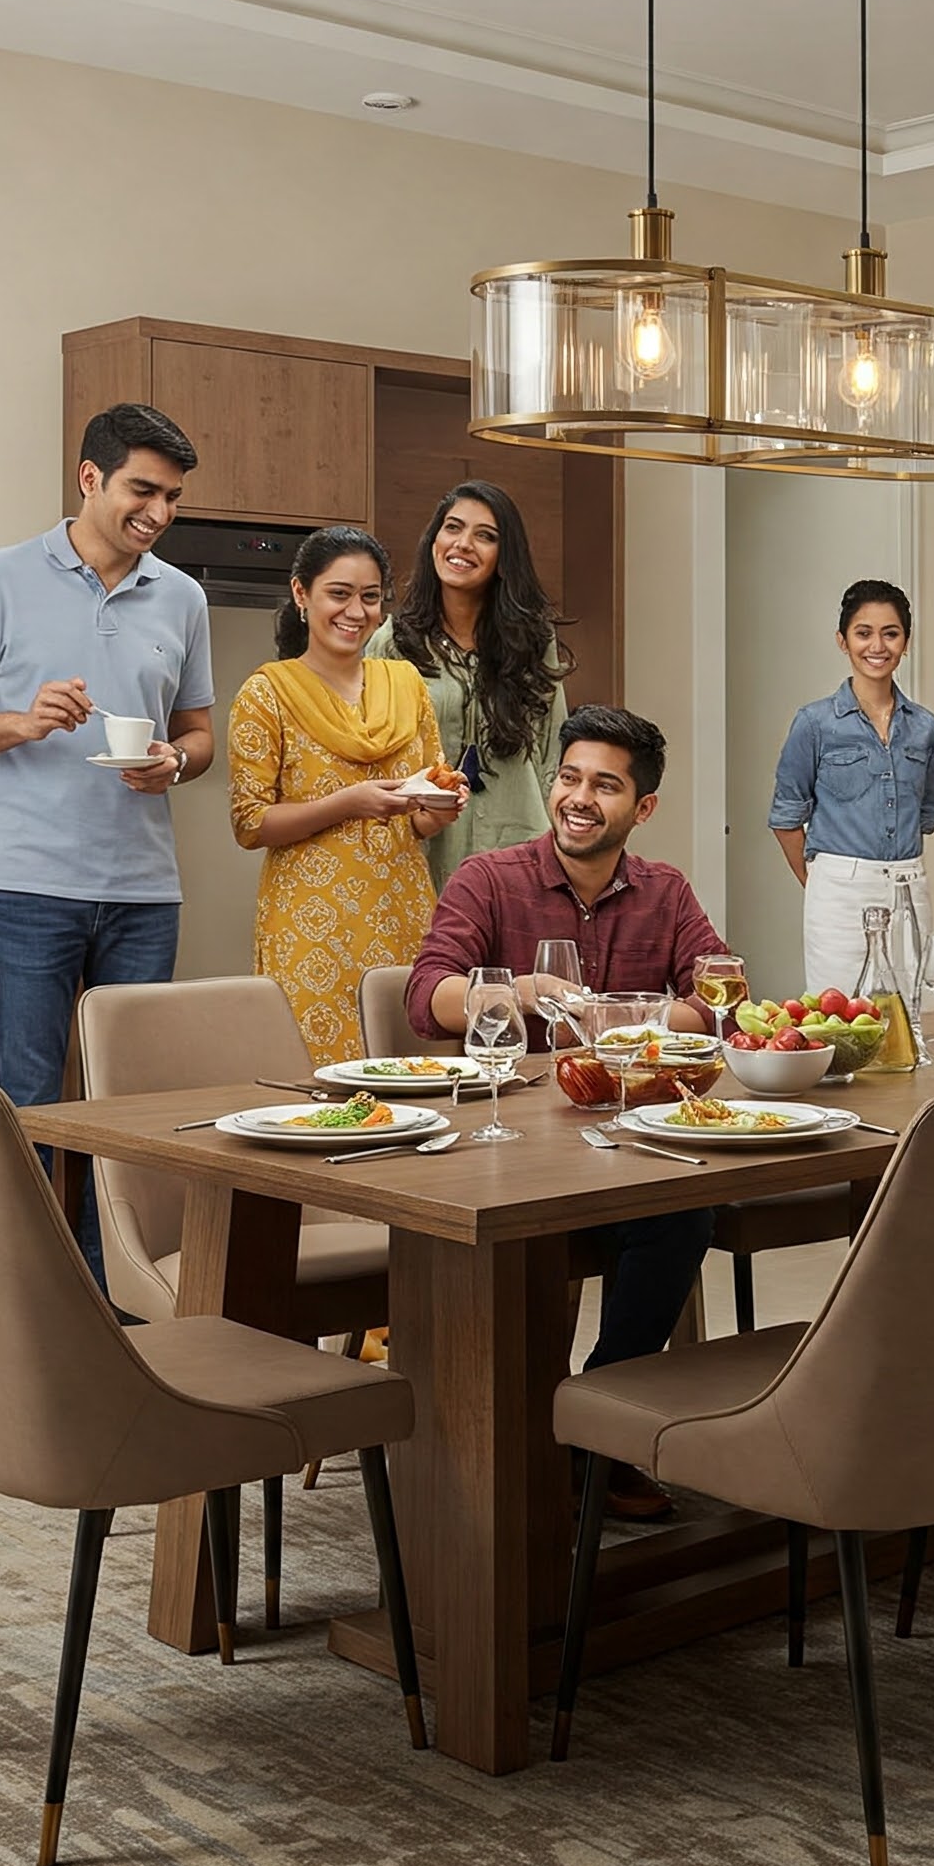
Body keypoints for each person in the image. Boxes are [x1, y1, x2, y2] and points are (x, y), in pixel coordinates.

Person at [407, 705, 721, 1518]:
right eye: (570, 778)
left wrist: (618, 1016)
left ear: (642, 808)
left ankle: (597, 1429)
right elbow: (427, 996)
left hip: (626, 1142)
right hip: (506, 1145)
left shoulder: (665, 891)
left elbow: (717, 997)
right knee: (533, 1234)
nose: (579, 798)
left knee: (685, 1208)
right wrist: (515, 991)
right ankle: (508, 1456)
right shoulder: (488, 879)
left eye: (605, 786)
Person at [0, 403, 215, 1283]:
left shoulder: (183, 596)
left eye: (171, 497)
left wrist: (174, 762)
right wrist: (23, 721)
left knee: (129, 1109)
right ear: (89, 477)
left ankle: (117, 1292)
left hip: (144, 893)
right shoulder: (2, 576)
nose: (158, 512)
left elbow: (200, 736)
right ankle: (31, 1296)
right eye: (142, 490)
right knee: (28, 1099)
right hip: (29, 887)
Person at [227, 526, 465, 1065]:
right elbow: (250, 824)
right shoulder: (267, 693)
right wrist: (347, 804)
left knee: (414, 1070)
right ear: (301, 593)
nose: (356, 612)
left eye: (370, 597)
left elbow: (417, 817)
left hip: (402, 908)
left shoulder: (406, 685)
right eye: (339, 593)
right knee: (320, 1082)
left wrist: (438, 809)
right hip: (311, 924)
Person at [377, 479, 572, 889]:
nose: (463, 544)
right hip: (424, 853)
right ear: (434, 542)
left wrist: (561, 851)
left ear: (504, 558)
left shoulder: (533, 642)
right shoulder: (394, 642)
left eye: (485, 536)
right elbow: (373, 759)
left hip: (520, 849)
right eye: (453, 528)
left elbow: (551, 753)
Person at [769, 578, 934, 997]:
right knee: (839, 1012)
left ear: (906, 642)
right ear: (842, 640)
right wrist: (822, 884)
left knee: (907, 1013)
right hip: (838, 887)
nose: (877, 646)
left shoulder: (926, 728)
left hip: (909, 882)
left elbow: (925, 813)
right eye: (863, 633)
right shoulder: (814, 723)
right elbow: (785, 818)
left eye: (891, 633)